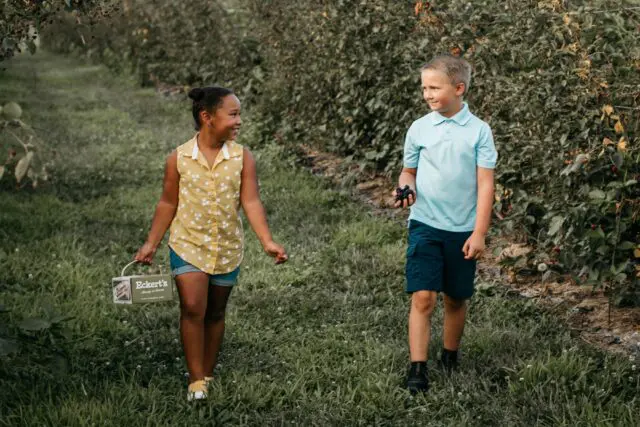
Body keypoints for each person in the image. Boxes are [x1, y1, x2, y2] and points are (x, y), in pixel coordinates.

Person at [134, 86, 288, 401]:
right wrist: (152, 243)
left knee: (215, 312)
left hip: (226, 247)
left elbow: (252, 201)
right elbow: (167, 203)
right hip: (187, 244)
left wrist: (267, 241)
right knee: (192, 308)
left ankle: (207, 370)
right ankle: (196, 382)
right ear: (207, 117)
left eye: (238, 114)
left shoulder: (242, 157)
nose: (239, 120)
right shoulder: (178, 158)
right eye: (232, 114)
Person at [393, 55, 498, 394]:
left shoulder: (479, 131)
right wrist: (406, 186)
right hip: (425, 223)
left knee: (455, 297)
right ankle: (417, 368)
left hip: (463, 229)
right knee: (423, 297)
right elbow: (409, 170)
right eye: (424, 87)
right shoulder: (419, 128)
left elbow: (485, 184)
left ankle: (449, 356)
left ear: (459, 88)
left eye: (434, 87)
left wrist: (479, 232)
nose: (427, 94)